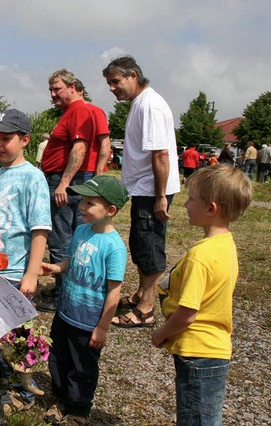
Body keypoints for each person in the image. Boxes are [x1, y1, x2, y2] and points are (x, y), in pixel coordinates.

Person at [152, 165, 252, 425]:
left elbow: (187, 313)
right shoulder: (226, 245)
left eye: (191, 199)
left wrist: (161, 333)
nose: (185, 204)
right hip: (215, 349)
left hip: (198, 351)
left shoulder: (201, 255)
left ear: (211, 208)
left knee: (195, 418)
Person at [40, 175, 129, 425]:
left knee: (82, 367)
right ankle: (60, 398)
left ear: (110, 210)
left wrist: (102, 327)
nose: (81, 207)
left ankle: (78, 410)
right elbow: (70, 261)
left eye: (90, 203)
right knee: (58, 357)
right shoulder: (80, 230)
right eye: (83, 201)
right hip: (65, 312)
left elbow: (114, 291)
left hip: (88, 323)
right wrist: (56, 269)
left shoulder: (114, 247)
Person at [0, 108, 52, 412]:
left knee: (16, 336)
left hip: (15, 270)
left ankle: (20, 393)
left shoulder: (33, 178)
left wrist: (32, 274)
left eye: (5, 138)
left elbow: (39, 229)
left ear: (25, 140)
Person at [102, 55, 180, 327]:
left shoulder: (150, 106)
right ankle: (140, 295)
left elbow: (161, 155)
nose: (112, 88)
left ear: (133, 75)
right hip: (144, 189)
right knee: (140, 242)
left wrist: (160, 197)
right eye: (109, 83)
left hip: (152, 191)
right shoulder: (140, 103)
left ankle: (146, 309)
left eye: (116, 81)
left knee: (149, 246)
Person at [36, 69, 96, 313]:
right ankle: (69, 291)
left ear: (73, 87)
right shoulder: (72, 112)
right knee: (71, 238)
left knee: (60, 240)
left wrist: (63, 183)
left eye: (57, 89)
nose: (53, 94)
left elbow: (79, 148)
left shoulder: (79, 110)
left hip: (63, 182)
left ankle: (63, 295)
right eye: (51, 90)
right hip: (64, 180)